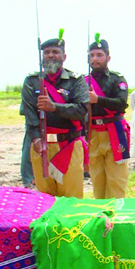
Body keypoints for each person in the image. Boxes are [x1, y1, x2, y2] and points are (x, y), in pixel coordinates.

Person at [20, 30, 89, 198]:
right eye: (47, 52)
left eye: (55, 52)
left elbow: (82, 110)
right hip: (41, 145)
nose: (50, 55)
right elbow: (29, 113)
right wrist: (36, 138)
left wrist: (54, 107)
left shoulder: (76, 80)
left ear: (64, 56)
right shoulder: (31, 81)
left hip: (69, 145)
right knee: (45, 197)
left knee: (71, 198)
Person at [85, 34, 130, 199]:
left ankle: (117, 218)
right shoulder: (82, 81)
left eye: (99, 55)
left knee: (116, 181)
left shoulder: (117, 79)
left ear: (108, 58)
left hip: (114, 132)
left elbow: (121, 103)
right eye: (91, 55)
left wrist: (97, 100)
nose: (95, 59)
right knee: (97, 181)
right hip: (93, 133)